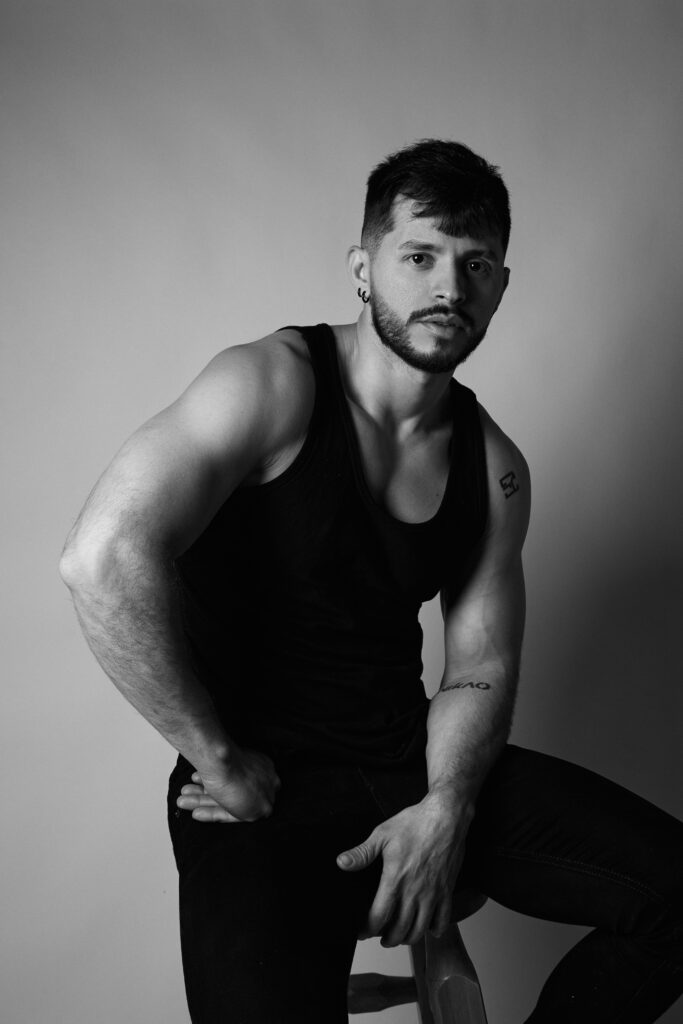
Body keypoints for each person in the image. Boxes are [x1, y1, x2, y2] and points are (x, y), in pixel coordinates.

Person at [60, 139, 683, 1023]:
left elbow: (478, 666)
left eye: (476, 265)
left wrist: (445, 810)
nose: (449, 287)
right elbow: (101, 559)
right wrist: (217, 756)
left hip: (409, 765)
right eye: (420, 256)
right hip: (259, 797)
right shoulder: (271, 387)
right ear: (363, 268)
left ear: (502, 284)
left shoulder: (495, 467)